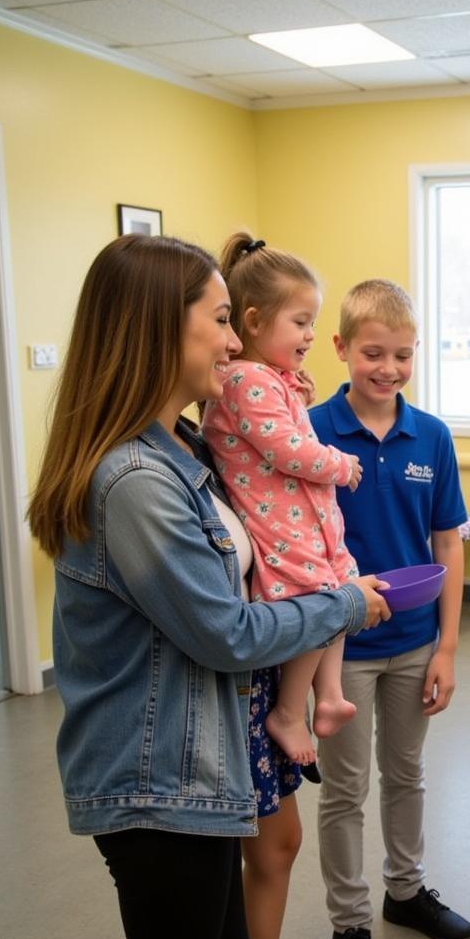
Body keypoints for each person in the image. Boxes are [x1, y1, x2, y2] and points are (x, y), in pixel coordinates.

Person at [27, 234, 390, 939]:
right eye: (221, 320)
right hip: (156, 783)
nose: (234, 340)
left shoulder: (181, 445)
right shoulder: (134, 481)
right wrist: (344, 604)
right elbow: (225, 632)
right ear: (161, 326)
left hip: (200, 768)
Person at [307, 279, 470, 939]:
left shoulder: (431, 436)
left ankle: (404, 891)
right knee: (345, 790)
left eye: (402, 355)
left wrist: (447, 647)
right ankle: (350, 923)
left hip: (413, 643)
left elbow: (448, 541)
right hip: (337, 647)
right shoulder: (307, 429)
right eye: (372, 353)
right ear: (341, 348)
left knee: (406, 776)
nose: (388, 368)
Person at [204, 235, 363, 772]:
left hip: (306, 519)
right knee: (321, 596)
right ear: (252, 321)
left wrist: (296, 393)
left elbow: (282, 425)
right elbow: (286, 448)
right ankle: (290, 710)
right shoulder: (245, 378)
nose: (310, 335)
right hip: (280, 522)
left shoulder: (266, 378)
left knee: (342, 579)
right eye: (300, 322)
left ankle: (331, 693)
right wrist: (340, 464)